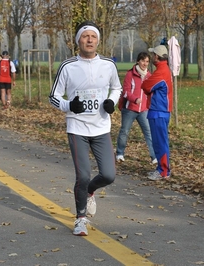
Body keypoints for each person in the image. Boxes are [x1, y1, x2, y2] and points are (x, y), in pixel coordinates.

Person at [48, 21, 122, 236]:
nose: (89, 40)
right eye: (85, 36)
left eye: (93, 36)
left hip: (100, 127)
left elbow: (117, 87)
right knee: (83, 175)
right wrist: (68, 105)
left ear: (98, 40)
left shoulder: (108, 65)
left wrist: (111, 101)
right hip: (77, 127)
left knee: (108, 175)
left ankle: (90, 190)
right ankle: (80, 218)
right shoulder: (68, 66)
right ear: (78, 40)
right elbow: (53, 97)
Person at [116, 52, 157, 164]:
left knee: (148, 132)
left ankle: (154, 157)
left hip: (143, 110)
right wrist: (134, 99)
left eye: (147, 61)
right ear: (138, 61)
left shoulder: (149, 76)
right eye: (143, 61)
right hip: (130, 109)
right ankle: (120, 153)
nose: (145, 63)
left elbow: (150, 92)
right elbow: (125, 92)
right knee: (124, 131)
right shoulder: (130, 74)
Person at [141, 45, 173, 181]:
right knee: (158, 142)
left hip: (159, 111)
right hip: (159, 110)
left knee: (160, 142)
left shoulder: (161, 72)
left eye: (153, 54)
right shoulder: (162, 69)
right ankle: (161, 168)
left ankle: (163, 171)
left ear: (157, 57)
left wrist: (146, 82)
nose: (152, 56)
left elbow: (146, 86)